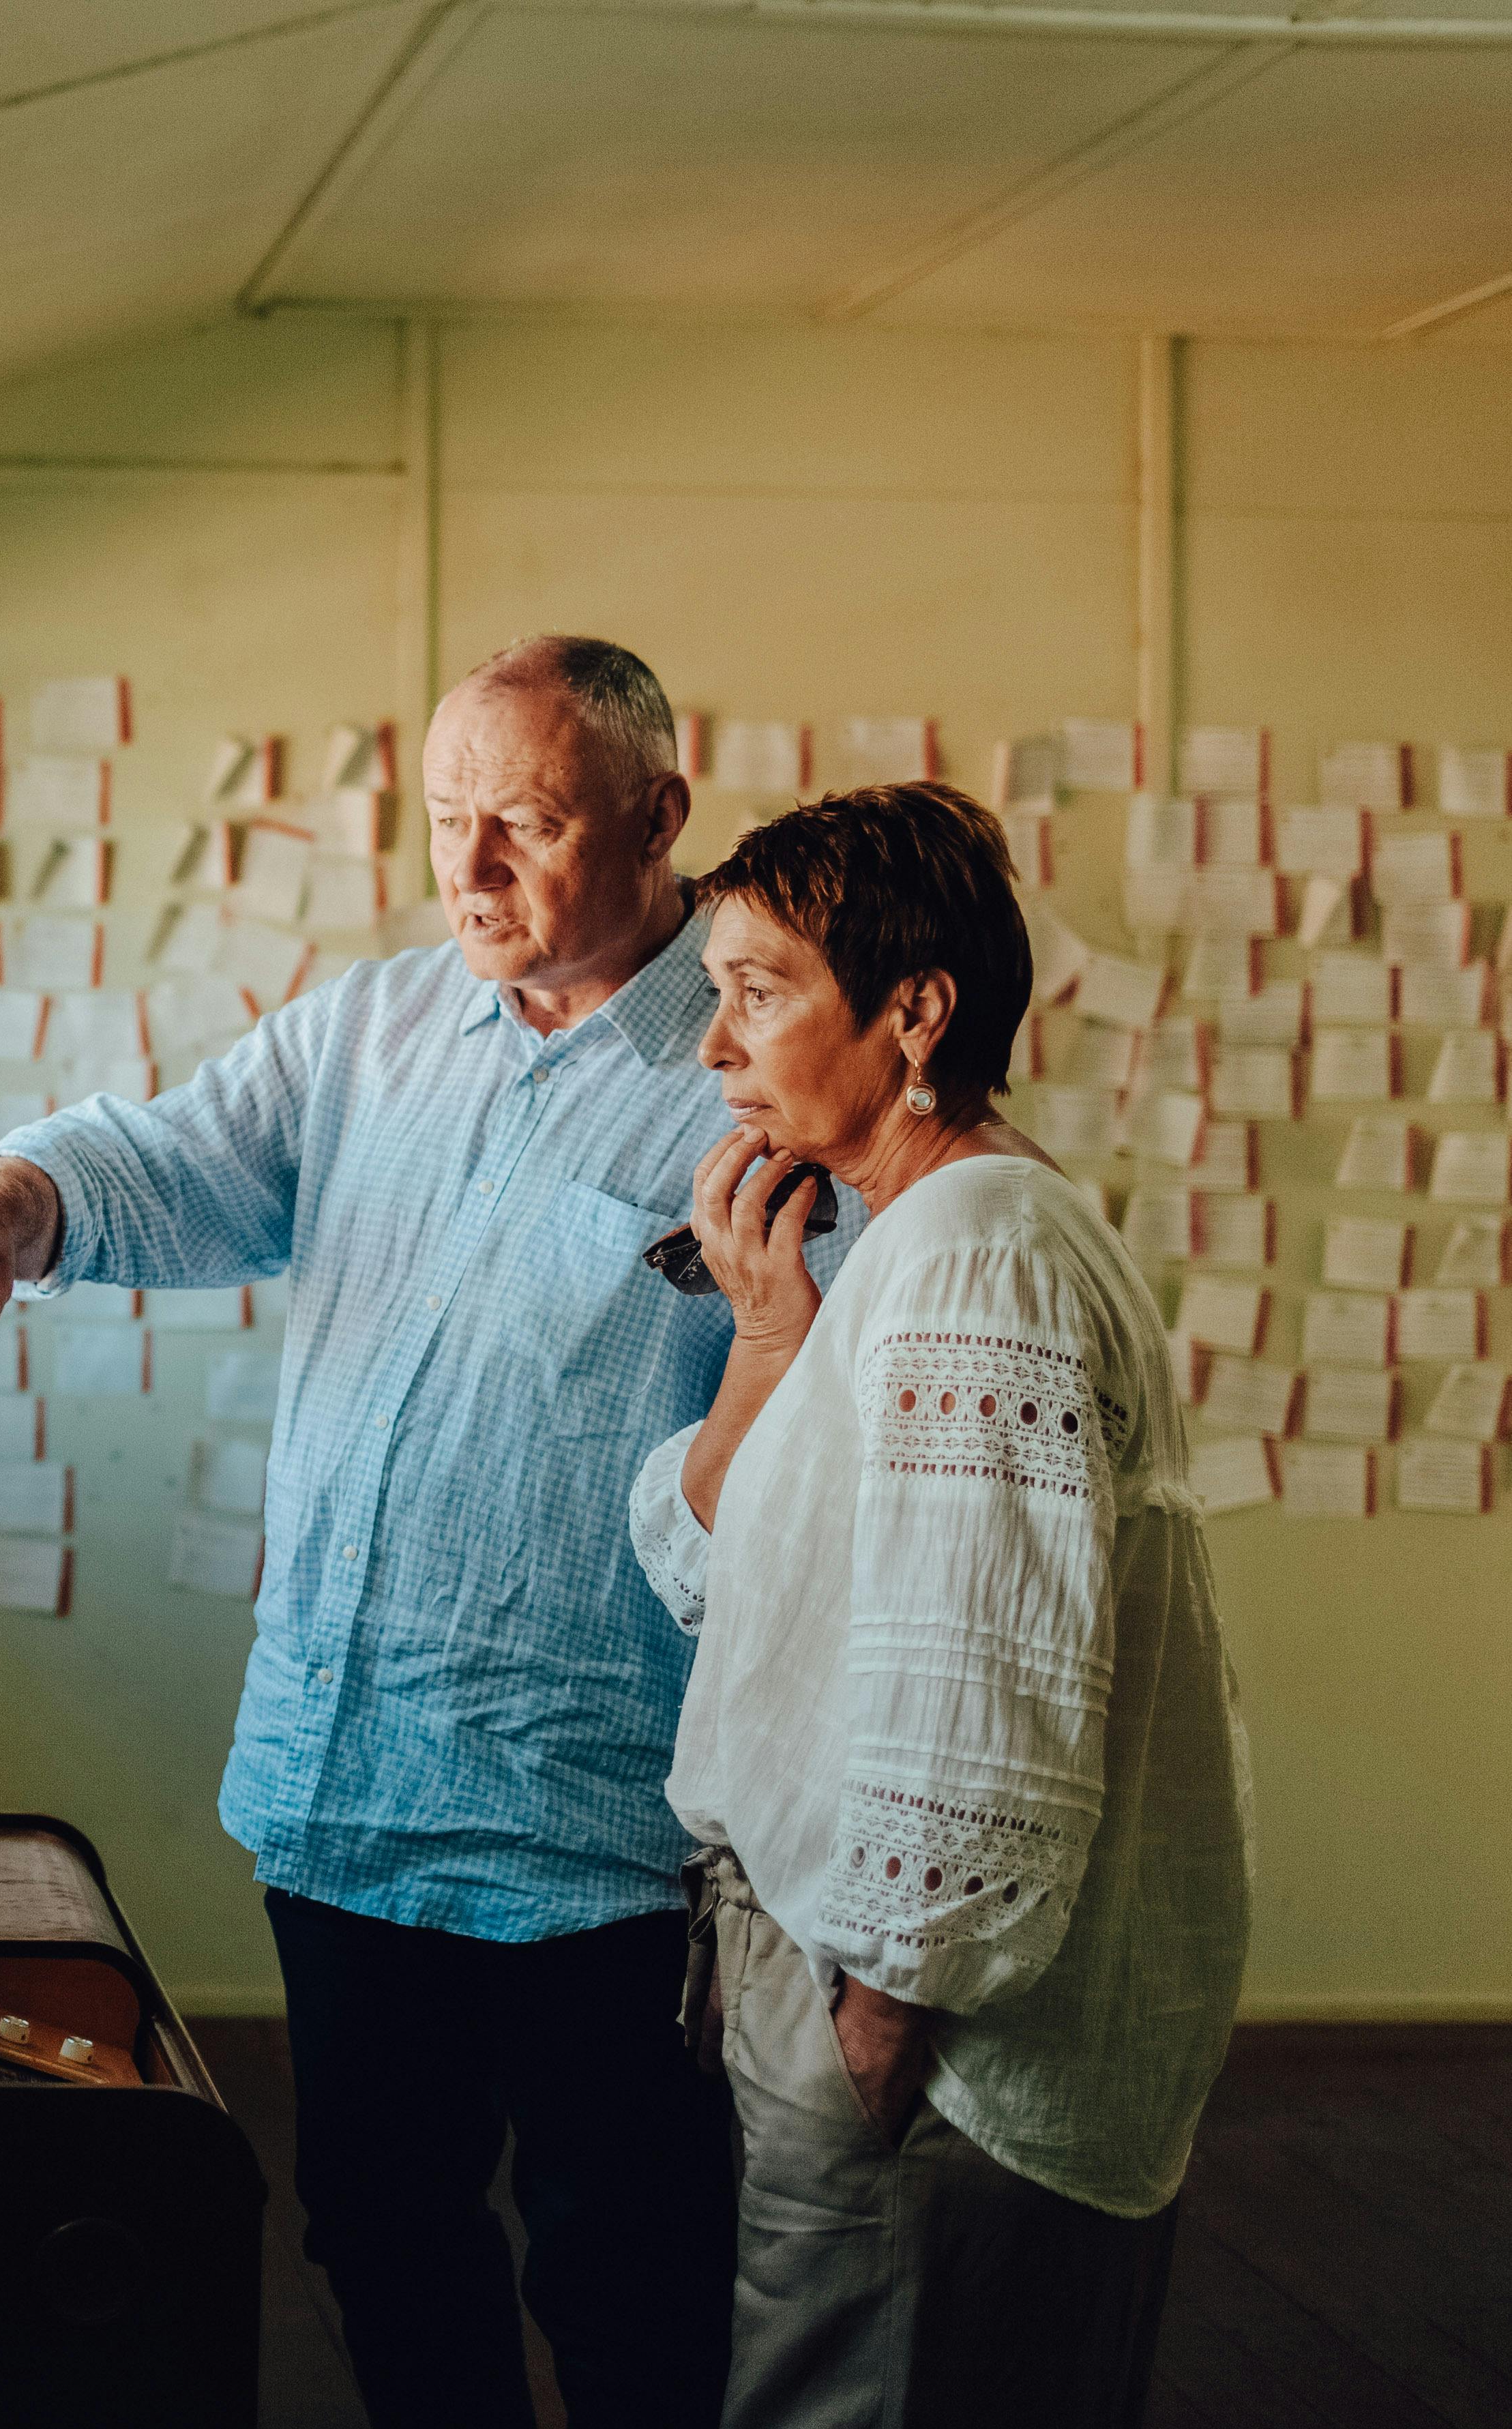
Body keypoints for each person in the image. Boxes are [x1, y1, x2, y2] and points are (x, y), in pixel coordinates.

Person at [0, 637, 831, 2429]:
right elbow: (171, 1157)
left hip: (596, 1819)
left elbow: (831, 1426)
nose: (462, 872)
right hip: (343, 1787)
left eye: (518, 827)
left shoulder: (757, 1071)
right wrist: (13, 1196)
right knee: (375, 2229)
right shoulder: (374, 1024)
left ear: (659, 818)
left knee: (626, 2271)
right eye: (443, 821)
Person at [629, 781, 1252, 2429]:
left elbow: (977, 1667)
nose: (716, 1045)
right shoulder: (927, 1233)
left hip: (911, 2026)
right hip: (864, 1985)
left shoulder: (975, 1247)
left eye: (759, 991)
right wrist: (769, 1338)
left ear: (913, 1013)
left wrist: (884, 2007)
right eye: (719, 993)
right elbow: (721, 1568)